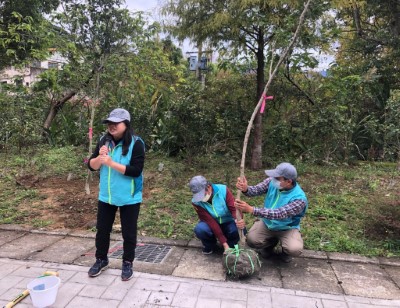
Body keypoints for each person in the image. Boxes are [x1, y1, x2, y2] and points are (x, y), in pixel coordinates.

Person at [87, 108, 145, 281]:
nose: (111, 126)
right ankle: (101, 259)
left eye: (115, 123)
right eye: (109, 123)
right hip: (107, 195)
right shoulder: (104, 141)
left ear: (125, 124)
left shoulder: (137, 143)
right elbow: (92, 166)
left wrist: (111, 163)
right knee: (102, 230)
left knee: (128, 233)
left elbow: (136, 171)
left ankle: (127, 263)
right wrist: (100, 157)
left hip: (129, 196)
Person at [234, 162, 308, 263]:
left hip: (287, 228)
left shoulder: (299, 199)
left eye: (278, 178)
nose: (274, 179)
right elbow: (256, 190)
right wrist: (246, 189)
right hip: (267, 223)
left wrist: (252, 209)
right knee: (252, 240)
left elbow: (279, 214)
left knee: (294, 249)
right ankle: (269, 244)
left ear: (289, 181)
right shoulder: (272, 182)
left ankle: (285, 252)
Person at [189, 175, 241, 254]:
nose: (200, 198)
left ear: (209, 187)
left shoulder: (223, 190)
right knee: (201, 229)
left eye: (202, 194)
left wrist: (238, 220)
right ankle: (211, 245)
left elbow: (234, 209)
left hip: (228, 222)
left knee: (235, 228)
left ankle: (232, 244)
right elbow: (210, 221)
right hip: (212, 224)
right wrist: (224, 244)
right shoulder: (196, 202)